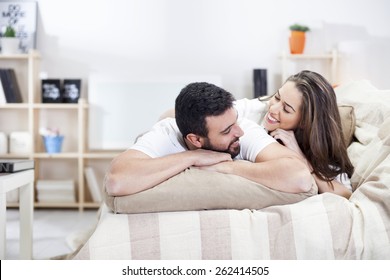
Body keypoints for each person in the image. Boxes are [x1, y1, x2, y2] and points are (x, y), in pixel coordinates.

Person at [105, 82, 313, 196]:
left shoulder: (243, 130)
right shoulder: (166, 133)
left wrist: (228, 167)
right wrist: (193, 158)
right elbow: (116, 181)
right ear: (195, 139)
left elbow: (300, 177)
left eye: (236, 122)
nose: (238, 132)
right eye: (227, 131)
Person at [235, 70, 354, 198]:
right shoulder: (255, 110)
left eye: (286, 109)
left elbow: (345, 194)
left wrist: (301, 159)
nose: (273, 109)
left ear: (304, 121)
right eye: (277, 97)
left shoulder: (317, 150)